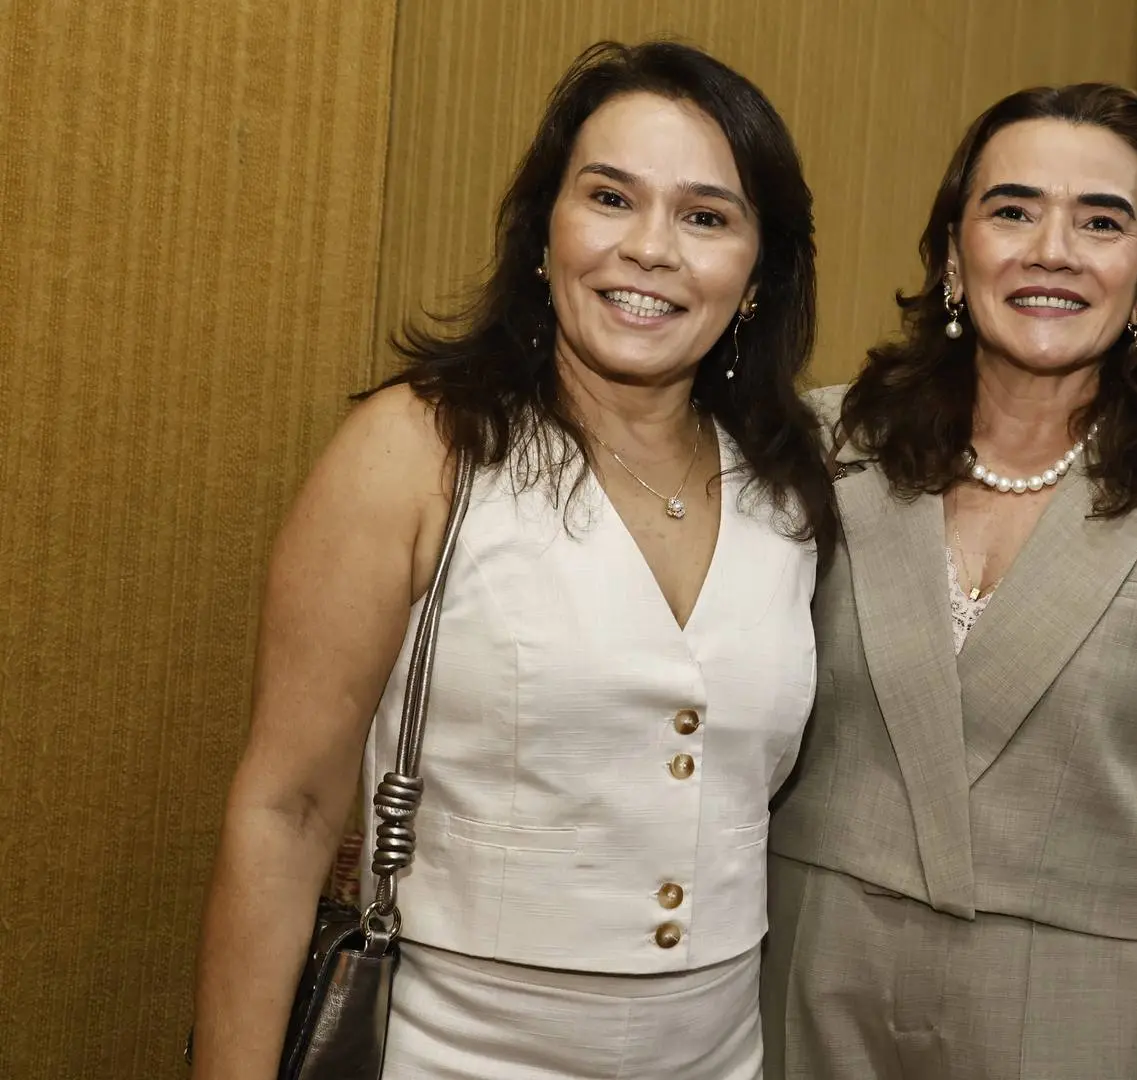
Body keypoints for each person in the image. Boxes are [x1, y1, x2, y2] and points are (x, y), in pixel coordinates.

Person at [190, 41, 834, 1080]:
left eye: (706, 217)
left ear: (758, 274)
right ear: (544, 231)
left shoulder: (789, 486)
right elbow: (287, 811)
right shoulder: (418, 450)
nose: (650, 249)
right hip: (448, 1052)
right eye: (611, 198)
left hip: (721, 1056)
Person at [762, 83, 1137, 1080]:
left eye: (1102, 221)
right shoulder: (822, 446)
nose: (1053, 250)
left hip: (1074, 1007)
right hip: (804, 971)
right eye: (1013, 210)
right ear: (952, 253)